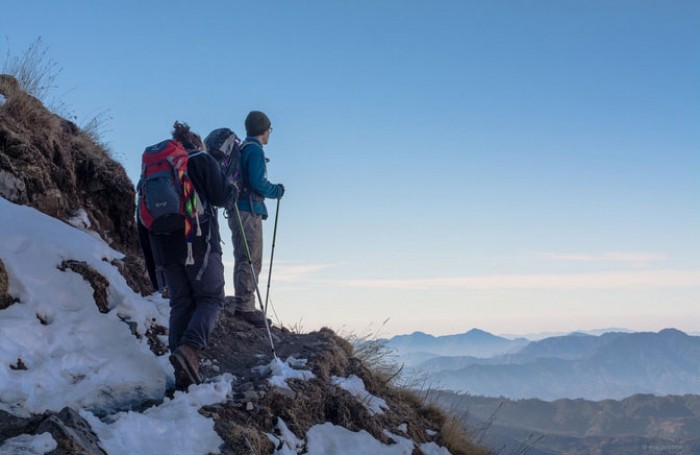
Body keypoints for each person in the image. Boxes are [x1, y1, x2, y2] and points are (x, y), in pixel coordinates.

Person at [138, 121, 237, 389]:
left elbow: (142, 219)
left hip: (164, 248)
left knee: (181, 304)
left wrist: (153, 267)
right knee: (211, 298)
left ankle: (181, 375)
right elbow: (221, 197)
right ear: (197, 143)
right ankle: (190, 351)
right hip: (199, 242)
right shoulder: (201, 160)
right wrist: (232, 189)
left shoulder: (152, 173)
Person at [227, 111, 284, 327]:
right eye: (269, 129)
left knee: (244, 255)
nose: (270, 133)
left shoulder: (242, 149)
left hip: (236, 209)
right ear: (264, 129)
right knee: (251, 258)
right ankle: (245, 307)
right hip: (248, 210)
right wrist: (277, 190)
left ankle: (245, 302)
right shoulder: (255, 151)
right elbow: (258, 183)